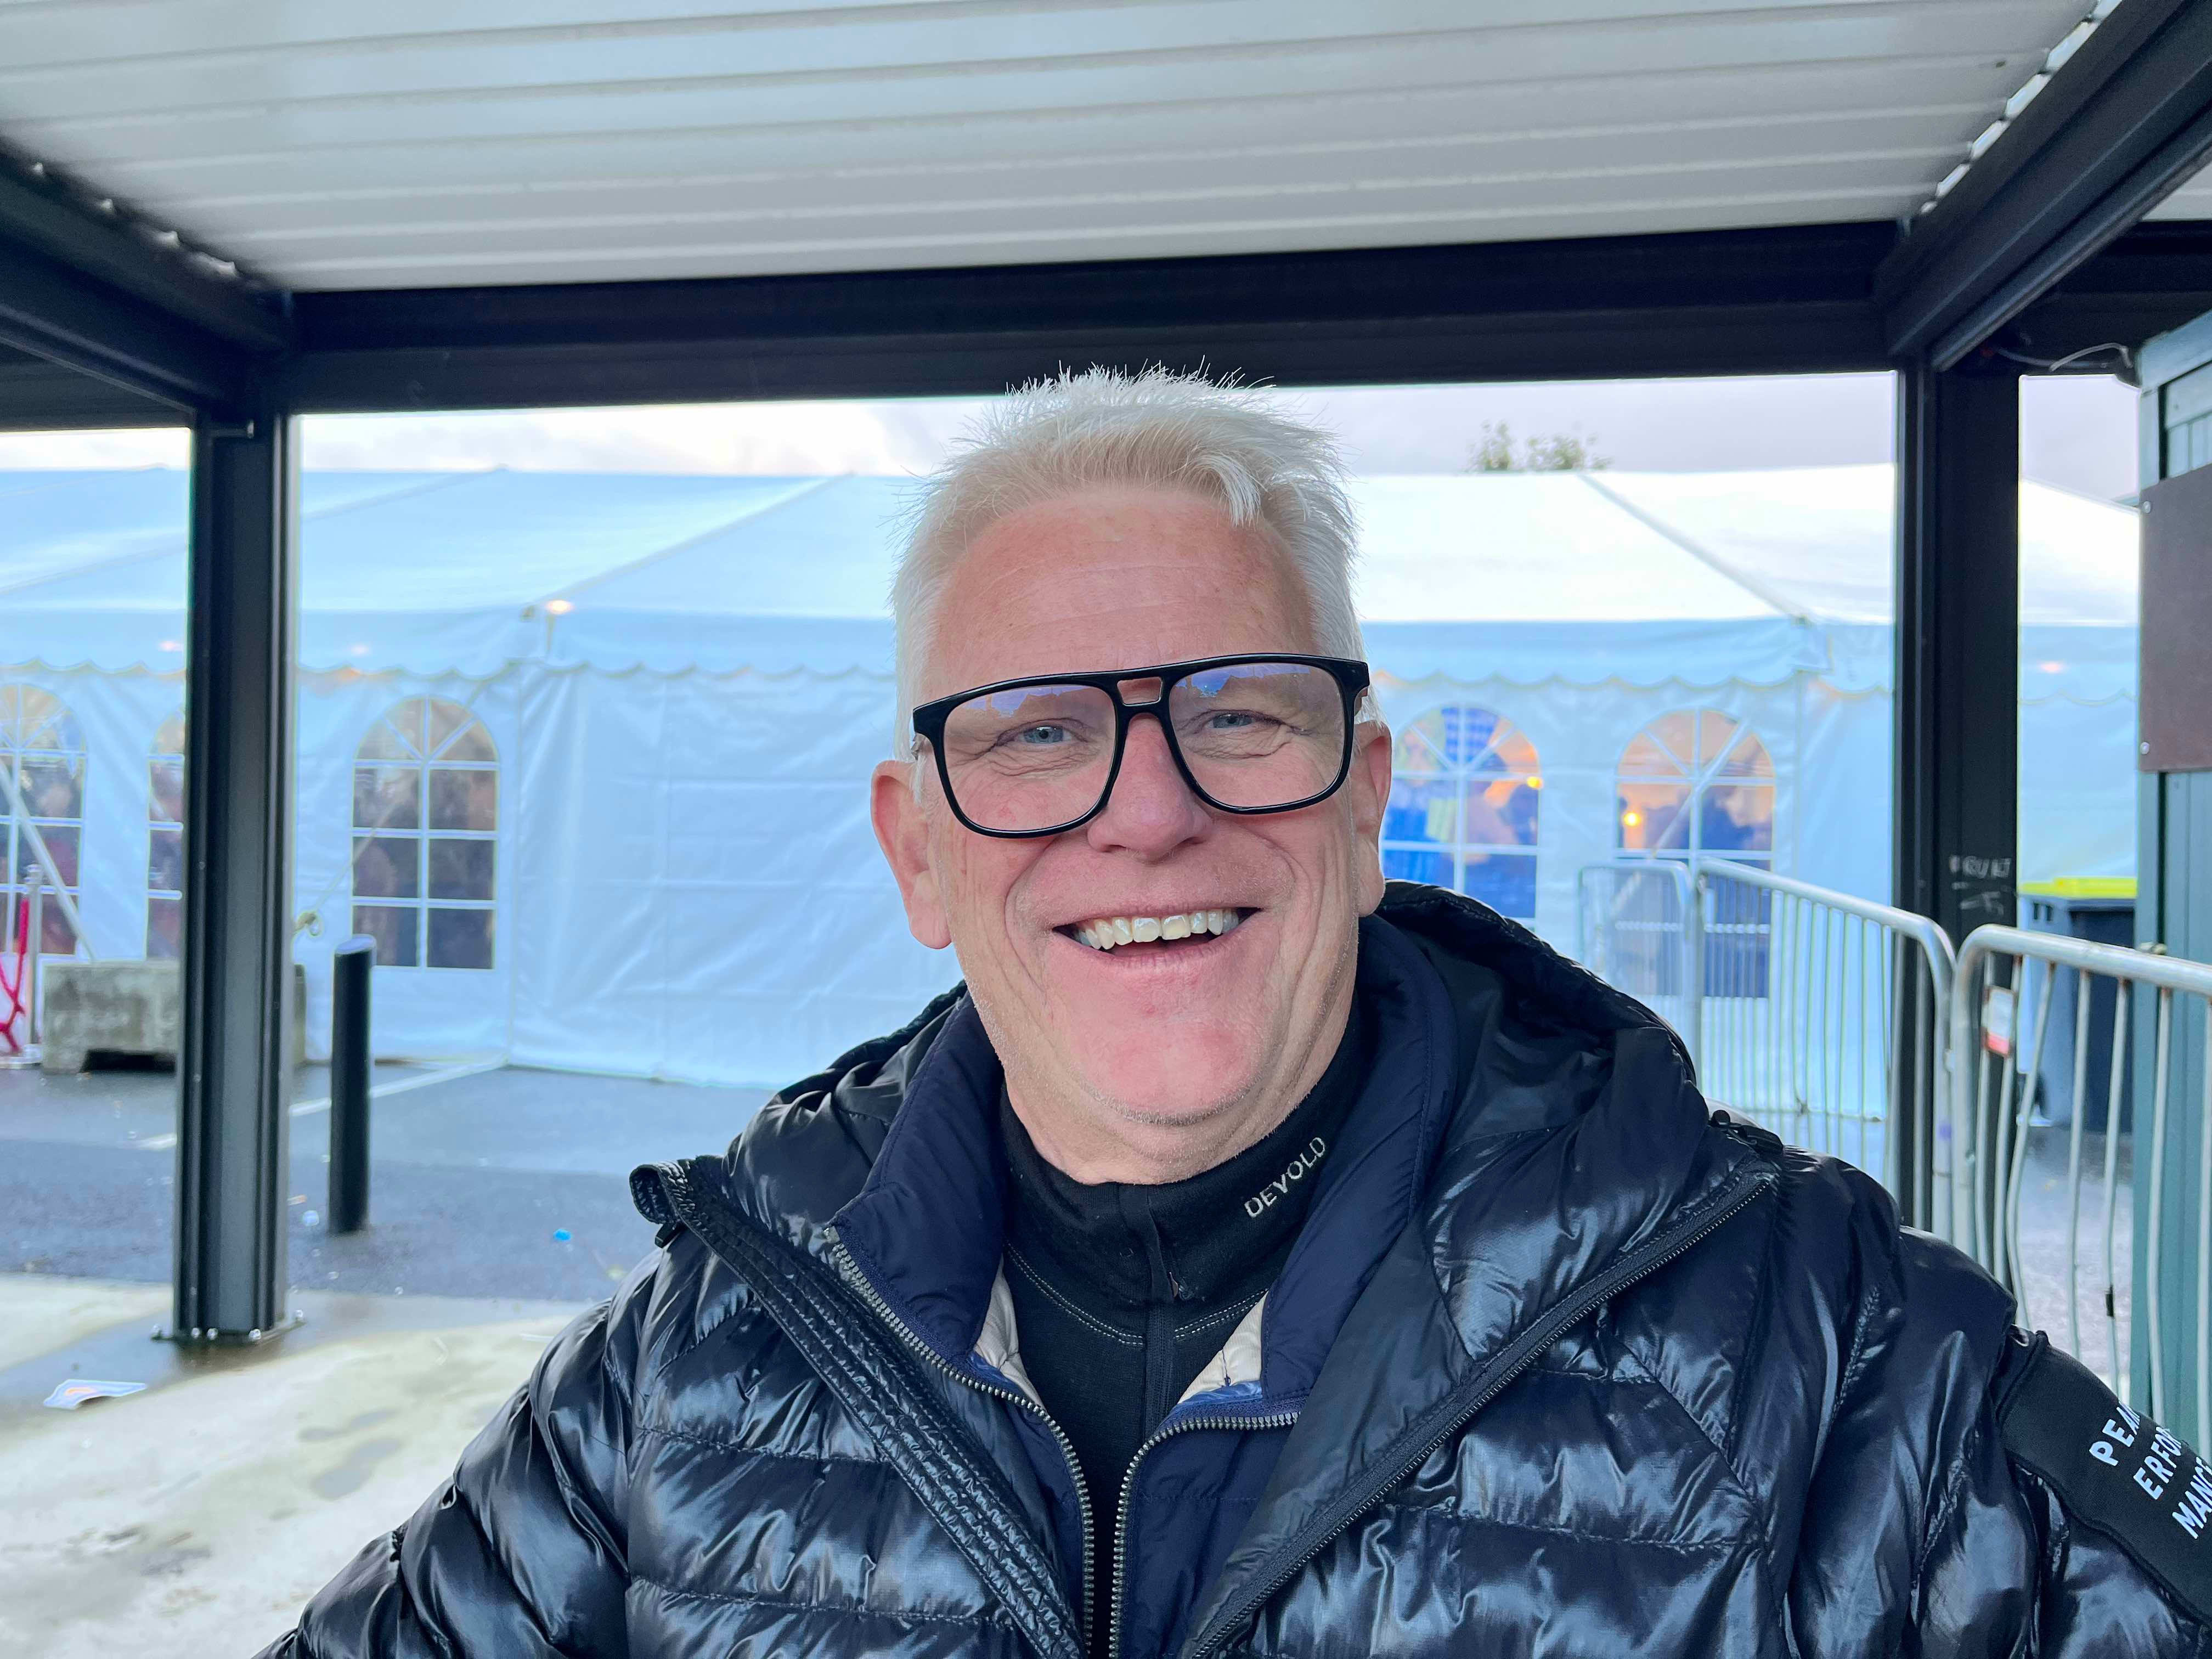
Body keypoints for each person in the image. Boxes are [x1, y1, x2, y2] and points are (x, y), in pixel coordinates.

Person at [261, 370, 2212, 1657]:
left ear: (1365, 804)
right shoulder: (706, 1352)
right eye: (1035, 735)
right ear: (918, 853)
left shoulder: (1830, 1350)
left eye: (1242, 714)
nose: (1146, 812)